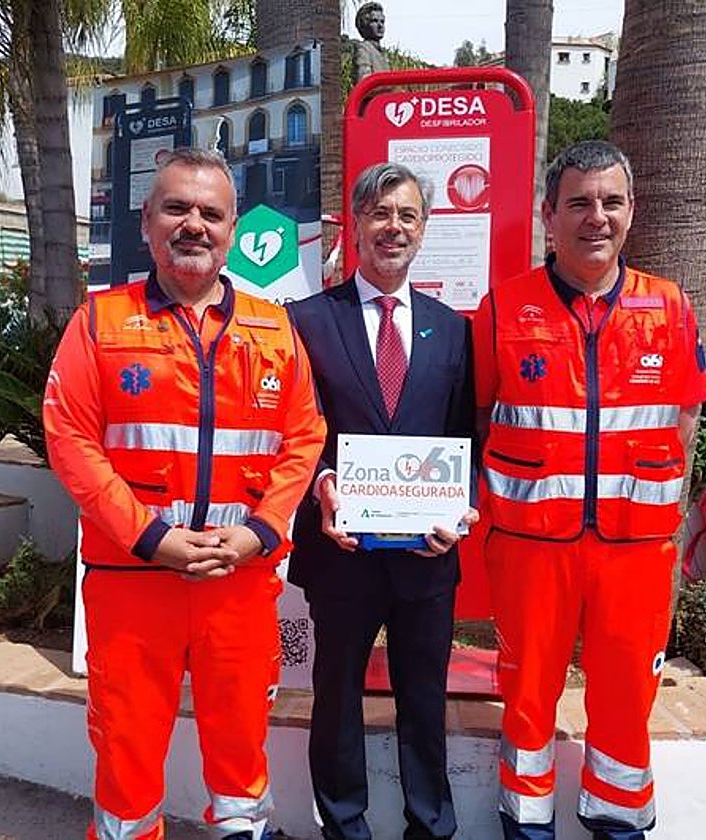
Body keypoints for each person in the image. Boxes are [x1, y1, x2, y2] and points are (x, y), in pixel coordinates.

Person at [43, 147, 326, 840]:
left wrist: (259, 532)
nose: (193, 224)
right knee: (128, 749)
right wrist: (153, 539)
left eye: (210, 212)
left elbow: (304, 437)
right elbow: (70, 440)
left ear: (232, 230)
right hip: (133, 580)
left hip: (239, 580)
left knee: (239, 750)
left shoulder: (274, 328)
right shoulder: (100, 323)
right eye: (177, 208)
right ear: (147, 222)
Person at [473, 140, 706, 840]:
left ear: (632, 212)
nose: (595, 217)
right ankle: (527, 823)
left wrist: (661, 505)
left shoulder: (668, 307)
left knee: (625, 697)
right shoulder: (504, 307)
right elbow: (483, 413)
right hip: (529, 549)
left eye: (611, 202)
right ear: (549, 215)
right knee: (525, 695)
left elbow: (687, 415)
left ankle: (618, 820)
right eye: (578, 202)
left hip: (635, 552)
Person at [287, 161, 477, 840]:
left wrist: (463, 509)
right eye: (379, 213)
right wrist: (318, 487)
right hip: (339, 554)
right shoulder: (305, 321)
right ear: (357, 225)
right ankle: (344, 825)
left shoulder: (453, 329)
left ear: (423, 230)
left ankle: (431, 825)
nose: (392, 227)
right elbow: (293, 432)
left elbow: (465, 439)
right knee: (336, 698)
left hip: (428, 555)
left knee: (423, 699)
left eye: (407, 215)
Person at [352, 2, 390, 83]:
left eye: (382, 21)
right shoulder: (363, 49)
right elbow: (364, 81)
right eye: (374, 21)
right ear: (364, 25)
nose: (380, 25)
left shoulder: (382, 53)